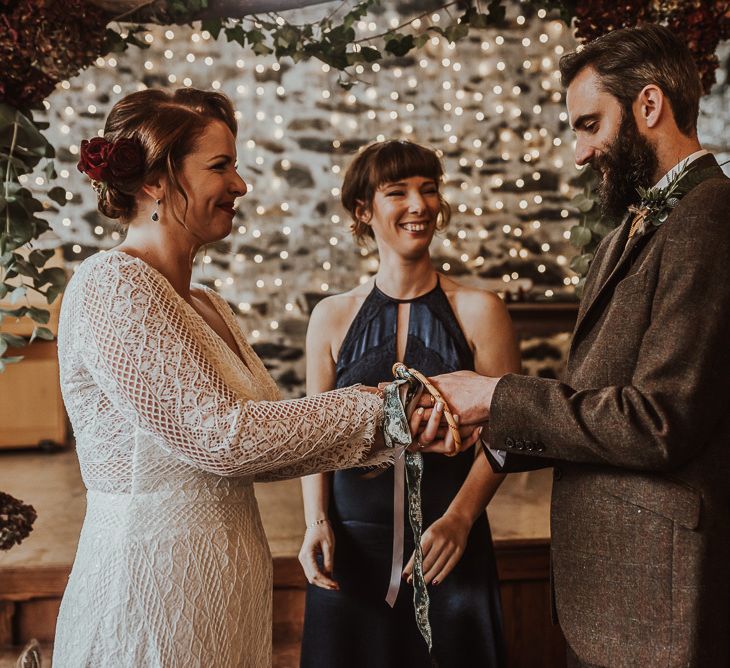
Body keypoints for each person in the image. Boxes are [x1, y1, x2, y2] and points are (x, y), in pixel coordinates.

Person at [53, 89, 473, 668]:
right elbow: (223, 438)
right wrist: (387, 410)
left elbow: (275, 440)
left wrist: (405, 431)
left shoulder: (207, 305)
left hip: (227, 585)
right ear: (155, 181)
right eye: (220, 166)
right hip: (150, 587)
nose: (240, 184)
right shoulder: (111, 285)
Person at [420, 25, 730, 667]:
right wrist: (489, 426)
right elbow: (592, 403)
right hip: (618, 591)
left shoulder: (711, 216)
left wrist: (497, 394)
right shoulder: (634, 226)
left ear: (649, 105)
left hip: (660, 596)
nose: (582, 153)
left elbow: (658, 421)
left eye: (590, 124)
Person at [298, 140, 520, 667]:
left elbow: (508, 432)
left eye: (429, 189)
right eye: (397, 192)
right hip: (350, 548)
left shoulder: (480, 310)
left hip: (449, 545)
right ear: (363, 210)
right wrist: (315, 522)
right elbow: (315, 438)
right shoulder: (330, 317)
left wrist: (461, 519)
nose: (419, 205)